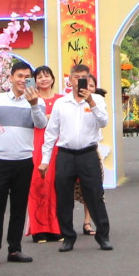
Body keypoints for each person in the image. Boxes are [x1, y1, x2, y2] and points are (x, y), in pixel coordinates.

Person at [0, 62, 47, 265]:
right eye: (19, 76)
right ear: (10, 77)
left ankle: (15, 249)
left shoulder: (38, 101)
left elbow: (41, 124)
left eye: (27, 77)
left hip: (24, 160)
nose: (22, 80)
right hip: (0, 160)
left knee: (19, 207)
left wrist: (34, 104)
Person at [47, 65, 110, 252]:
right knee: (64, 197)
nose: (79, 80)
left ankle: (103, 236)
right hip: (65, 154)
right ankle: (68, 236)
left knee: (95, 195)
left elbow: (104, 121)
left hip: (88, 154)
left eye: (84, 77)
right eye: (76, 77)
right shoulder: (61, 103)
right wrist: (45, 159)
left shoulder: (96, 99)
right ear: (69, 80)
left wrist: (90, 101)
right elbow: (51, 132)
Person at [26, 65, 64, 243]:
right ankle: (39, 228)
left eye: (46, 75)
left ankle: (57, 227)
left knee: (57, 186)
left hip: (58, 143)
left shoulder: (62, 100)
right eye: (39, 76)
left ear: (53, 78)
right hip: (37, 143)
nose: (43, 79)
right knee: (39, 184)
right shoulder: (32, 99)